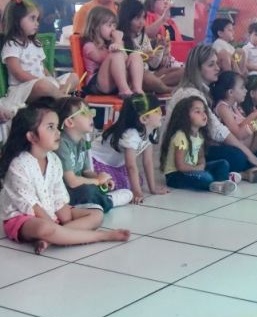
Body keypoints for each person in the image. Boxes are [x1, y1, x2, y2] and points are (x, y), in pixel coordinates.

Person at [0, 102, 130, 255]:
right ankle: (100, 236)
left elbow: (58, 198)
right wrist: (55, 227)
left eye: (56, 127)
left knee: (97, 214)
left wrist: (66, 220)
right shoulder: (18, 165)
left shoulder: (54, 160)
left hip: (51, 213)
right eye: (50, 127)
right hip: (24, 217)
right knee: (45, 228)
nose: (58, 132)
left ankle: (53, 238)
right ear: (32, 136)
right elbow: (32, 206)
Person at [162, 44, 257, 183]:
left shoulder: (203, 92)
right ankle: (239, 172)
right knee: (239, 157)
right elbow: (222, 131)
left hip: (197, 147)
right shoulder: (192, 94)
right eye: (211, 65)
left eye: (217, 64)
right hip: (183, 154)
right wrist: (250, 149)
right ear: (197, 68)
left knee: (244, 152)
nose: (217, 68)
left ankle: (245, 169)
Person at [54, 97, 132, 212]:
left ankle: (98, 200)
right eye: (85, 113)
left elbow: (86, 172)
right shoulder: (62, 144)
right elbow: (71, 181)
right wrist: (97, 181)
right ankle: (107, 201)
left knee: (97, 188)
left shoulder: (82, 142)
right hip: (64, 191)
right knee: (88, 190)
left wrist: (100, 178)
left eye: (91, 112)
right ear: (69, 122)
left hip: (78, 186)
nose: (92, 116)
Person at [91, 94, 168, 204]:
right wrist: (137, 192)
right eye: (157, 111)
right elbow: (131, 166)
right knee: (119, 183)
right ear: (144, 118)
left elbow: (148, 161)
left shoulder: (149, 131)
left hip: (115, 165)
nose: (161, 113)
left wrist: (153, 188)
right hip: (97, 161)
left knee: (136, 180)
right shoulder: (131, 134)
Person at [1, 0, 78, 104]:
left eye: (37, 19)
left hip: (42, 83)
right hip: (23, 89)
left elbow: (43, 67)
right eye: (32, 18)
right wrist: (40, 80)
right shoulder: (12, 44)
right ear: (16, 20)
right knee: (43, 86)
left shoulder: (35, 43)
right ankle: (61, 98)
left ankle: (60, 93)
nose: (37, 23)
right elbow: (18, 73)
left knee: (74, 76)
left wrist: (51, 79)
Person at [160, 96, 238, 195]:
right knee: (206, 177)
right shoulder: (181, 136)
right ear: (186, 117)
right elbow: (180, 166)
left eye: (204, 111)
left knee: (223, 164)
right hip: (175, 175)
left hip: (193, 170)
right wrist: (198, 169)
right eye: (197, 112)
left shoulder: (200, 135)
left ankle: (221, 183)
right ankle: (217, 183)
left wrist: (202, 164)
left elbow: (201, 157)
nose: (203, 114)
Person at [117, 0, 179, 91]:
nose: (142, 22)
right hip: (134, 78)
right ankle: (168, 89)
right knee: (147, 77)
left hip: (151, 74)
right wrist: (141, 57)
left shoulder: (143, 36)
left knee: (181, 71)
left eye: (143, 17)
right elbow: (121, 64)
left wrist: (160, 48)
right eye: (137, 18)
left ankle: (158, 85)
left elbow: (153, 64)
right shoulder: (119, 37)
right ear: (126, 18)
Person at [81, 6, 142, 97]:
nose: (113, 29)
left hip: (115, 82)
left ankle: (137, 89)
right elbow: (105, 58)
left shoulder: (110, 44)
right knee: (116, 54)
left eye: (114, 25)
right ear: (96, 27)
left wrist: (119, 43)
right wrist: (117, 42)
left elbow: (124, 58)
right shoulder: (89, 46)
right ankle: (124, 91)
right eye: (109, 25)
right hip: (98, 86)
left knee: (135, 55)